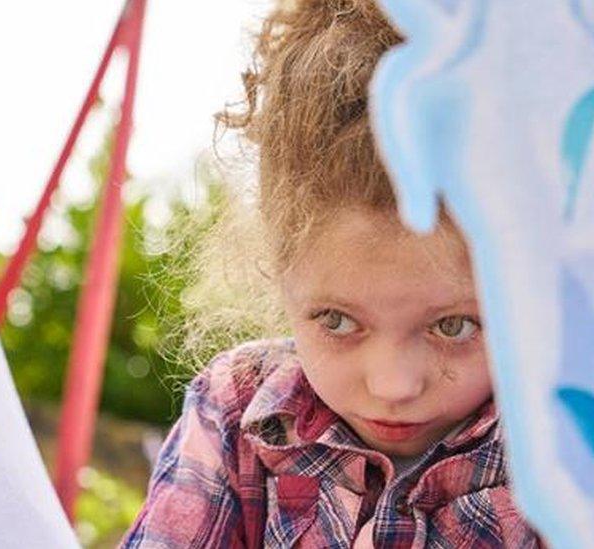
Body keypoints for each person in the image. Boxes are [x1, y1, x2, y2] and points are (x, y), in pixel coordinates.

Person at [121, 0, 542, 546]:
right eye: (338, 321)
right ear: (279, 271)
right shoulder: (235, 413)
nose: (393, 385)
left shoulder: (567, 441)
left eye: (455, 325)